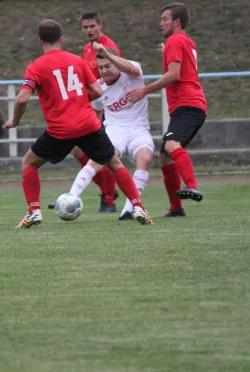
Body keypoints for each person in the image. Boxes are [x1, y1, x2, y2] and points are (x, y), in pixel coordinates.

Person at [3, 19, 152, 228]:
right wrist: (78, 102)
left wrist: (15, 121)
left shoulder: (35, 67)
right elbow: (98, 91)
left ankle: (34, 211)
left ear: (40, 42)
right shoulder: (77, 60)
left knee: (29, 163)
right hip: (88, 124)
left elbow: (21, 99)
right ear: (61, 39)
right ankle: (138, 207)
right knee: (114, 163)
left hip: (60, 129)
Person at [127, 3, 207, 217]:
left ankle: (191, 185)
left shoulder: (174, 40)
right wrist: (167, 51)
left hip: (188, 104)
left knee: (172, 145)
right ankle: (176, 208)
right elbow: (184, 63)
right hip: (190, 105)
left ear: (177, 21)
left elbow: (174, 75)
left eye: (164, 19)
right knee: (164, 157)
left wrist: (145, 90)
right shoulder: (185, 41)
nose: (160, 23)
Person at [68, 43, 155, 221]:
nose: (104, 71)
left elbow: (131, 68)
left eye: (108, 66)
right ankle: (70, 197)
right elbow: (96, 111)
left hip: (138, 129)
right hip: (114, 130)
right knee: (97, 160)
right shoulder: (99, 87)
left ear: (116, 62)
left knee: (145, 157)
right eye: (100, 68)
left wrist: (107, 53)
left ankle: (129, 210)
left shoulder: (133, 73)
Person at [49, 11, 121, 213]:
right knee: (79, 150)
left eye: (92, 26)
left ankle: (109, 200)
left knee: (102, 155)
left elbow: (114, 76)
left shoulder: (109, 47)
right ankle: (107, 190)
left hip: (106, 108)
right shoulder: (86, 49)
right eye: (85, 27)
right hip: (92, 107)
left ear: (100, 25)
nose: (89, 30)